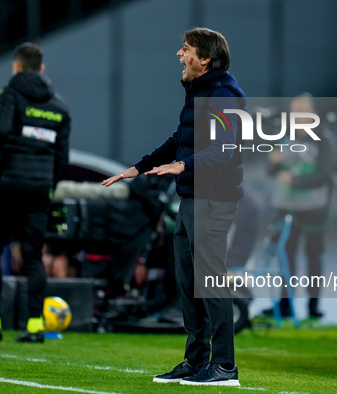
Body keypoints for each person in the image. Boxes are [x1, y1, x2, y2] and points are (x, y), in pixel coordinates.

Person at [102, 27, 245, 386]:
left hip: (213, 200)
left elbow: (225, 147)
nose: (179, 55)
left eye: (185, 49)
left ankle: (225, 366)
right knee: (187, 282)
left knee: (210, 282)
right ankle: (196, 361)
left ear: (205, 59)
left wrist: (185, 165)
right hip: (192, 199)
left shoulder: (224, 94)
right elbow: (177, 140)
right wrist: (136, 168)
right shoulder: (199, 92)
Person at [0, 42, 71, 343]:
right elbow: (62, 156)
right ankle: (35, 327)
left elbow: (0, 130)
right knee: (34, 257)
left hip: (9, 181)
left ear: (16, 66)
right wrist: (50, 183)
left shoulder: (10, 94)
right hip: (39, 188)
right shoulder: (60, 107)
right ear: (42, 68)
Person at [267, 95, 337, 318]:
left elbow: (325, 175)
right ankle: (285, 304)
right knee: (284, 253)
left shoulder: (324, 140)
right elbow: (272, 172)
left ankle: (313, 305)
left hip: (314, 208)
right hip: (286, 205)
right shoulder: (284, 138)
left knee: (313, 255)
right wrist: (275, 163)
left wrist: (296, 181)